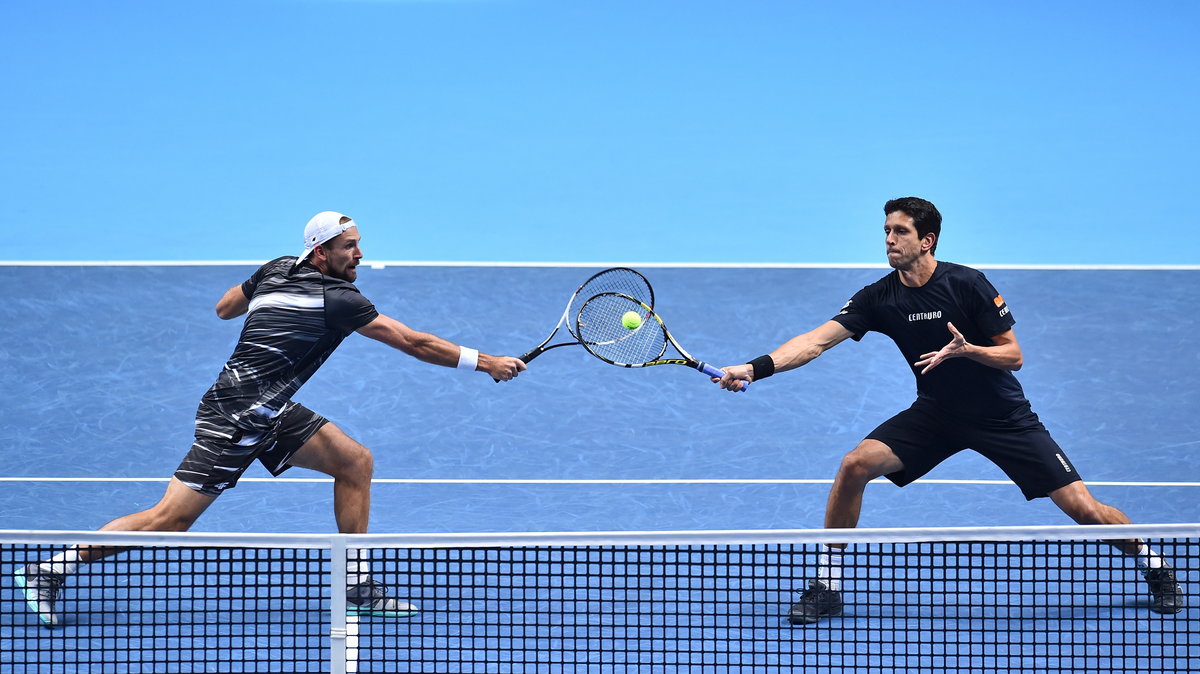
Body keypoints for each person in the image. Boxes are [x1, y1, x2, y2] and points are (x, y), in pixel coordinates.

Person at [15, 211, 526, 628]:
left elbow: (223, 308)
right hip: (237, 416)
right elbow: (414, 341)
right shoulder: (341, 300)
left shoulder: (276, 268)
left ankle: (357, 586)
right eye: (350, 246)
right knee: (169, 520)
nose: (361, 254)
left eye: (359, 244)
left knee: (355, 462)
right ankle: (49, 569)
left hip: (267, 408)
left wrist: (270, 300)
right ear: (322, 253)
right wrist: (487, 363)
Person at [717, 196, 1185, 624]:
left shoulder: (967, 284)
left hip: (1002, 416)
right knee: (855, 464)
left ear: (927, 240)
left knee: (1085, 510)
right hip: (936, 414)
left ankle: (1154, 563)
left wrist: (968, 351)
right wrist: (756, 368)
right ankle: (827, 584)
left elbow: (1014, 356)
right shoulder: (878, 297)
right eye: (885, 231)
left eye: (899, 231)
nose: (888, 240)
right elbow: (815, 341)